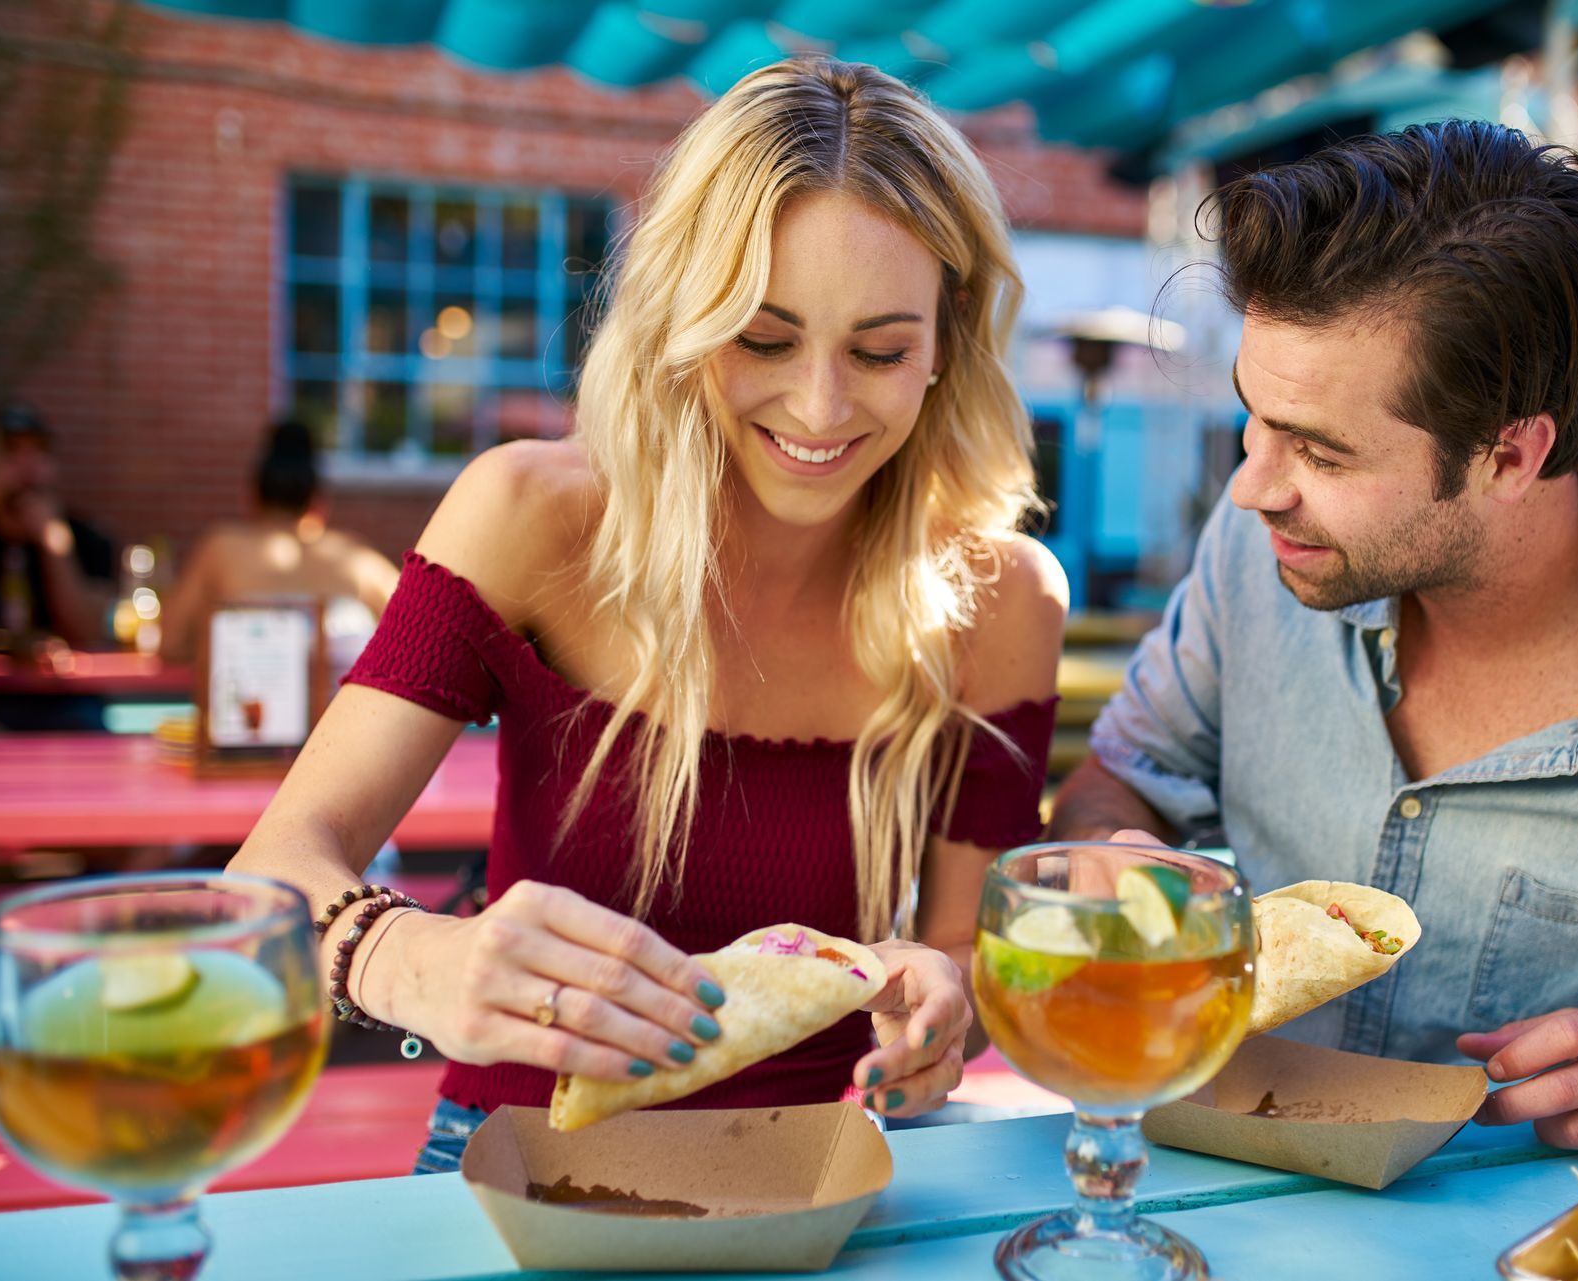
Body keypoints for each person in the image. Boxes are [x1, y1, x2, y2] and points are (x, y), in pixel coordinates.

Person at [228, 56, 1066, 1172]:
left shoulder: (1004, 597)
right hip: (520, 1160)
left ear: (948, 337)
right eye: (762, 340)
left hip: (826, 1182)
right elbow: (271, 866)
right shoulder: (531, 513)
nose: (819, 408)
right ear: (683, 310)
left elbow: (963, 952)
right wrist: (420, 960)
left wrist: (947, 1001)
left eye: (878, 351)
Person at [1048, 120, 1578, 1165]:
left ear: (1511, 454)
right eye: (1255, 421)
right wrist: (1114, 855)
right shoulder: (1257, 554)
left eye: (1320, 450)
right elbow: (1123, 775)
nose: (1251, 486)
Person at [159, 419, 399, 665]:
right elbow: (420, 626)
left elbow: (170, 642)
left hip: (246, 702)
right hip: (340, 702)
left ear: (249, 497)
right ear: (318, 503)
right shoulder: (355, 556)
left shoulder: (220, 548)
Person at [0, 401, 114, 652]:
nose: (28, 468)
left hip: (65, 689)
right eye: (12, 452)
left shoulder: (87, 539)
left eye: (38, 452)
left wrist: (54, 546)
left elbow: (90, 634)